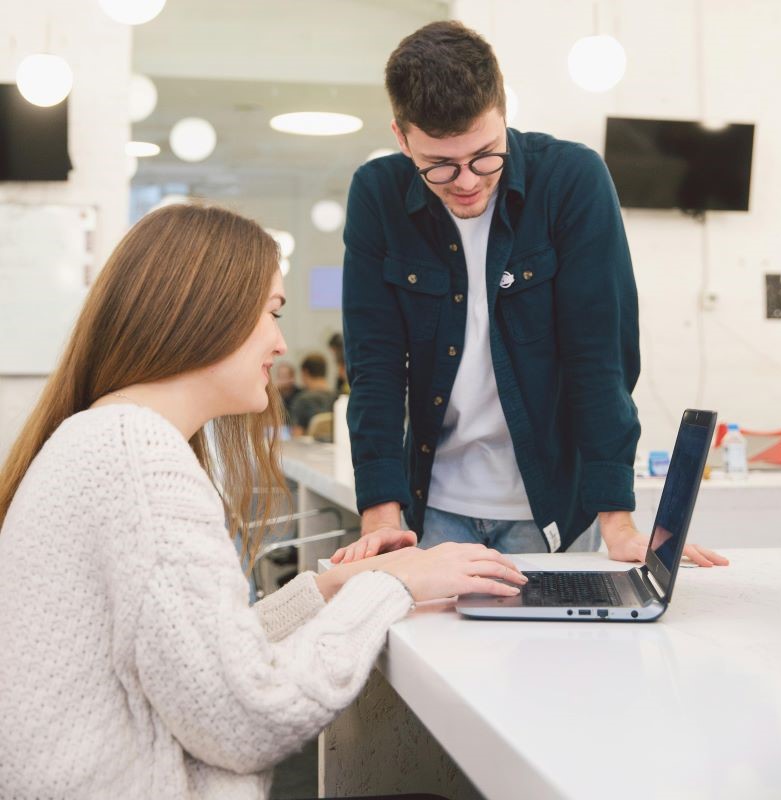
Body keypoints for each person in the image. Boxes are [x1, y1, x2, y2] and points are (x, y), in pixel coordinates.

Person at [0, 204, 526, 799]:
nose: (280, 343)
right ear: (205, 313)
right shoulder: (141, 461)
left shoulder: (103, 437)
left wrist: (333, 589)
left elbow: (199, 657)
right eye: (271, 313)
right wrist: (395, 589)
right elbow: (247, 719)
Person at [334, 20, 727, 569]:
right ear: (402, 139)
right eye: (440, 166)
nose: (467, 181)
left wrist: (617, 520)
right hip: (434, 507)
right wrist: (381, 518)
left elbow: (600, 356)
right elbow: (374, 365)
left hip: (548, 509)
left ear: (503, 112)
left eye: (485, 154)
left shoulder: (571, 181)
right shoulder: (376, 195)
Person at [289, 352, 337, 436]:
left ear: (305, 372)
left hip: (310, 449)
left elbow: (297, 435)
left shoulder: (302, 400)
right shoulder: (338, 398)